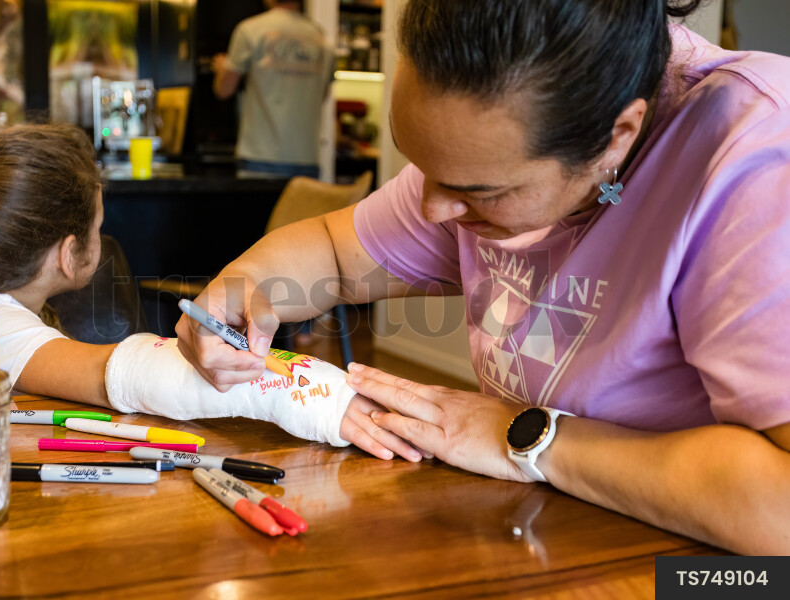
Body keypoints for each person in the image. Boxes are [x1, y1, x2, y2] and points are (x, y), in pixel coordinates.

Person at [176, 0, 790, 555]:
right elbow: (337, 255)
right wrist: (244, 284)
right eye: (423, 167)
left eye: (478, 191)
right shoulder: (486, 139)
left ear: (617, 137)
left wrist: (523, 438)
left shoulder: (756, 163)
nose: (432, 211)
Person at [0, 124, 354, 446]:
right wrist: (327, 396)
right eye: (98, 226)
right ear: (68, 255)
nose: (103, 236)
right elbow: (114, 373)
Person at [212, 0, 333, 179]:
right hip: (306, 160)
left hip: (259, 158)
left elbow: (224, 89)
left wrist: (221, 69)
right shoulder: (322, 38)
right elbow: (322, 96)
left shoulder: (250, 30)